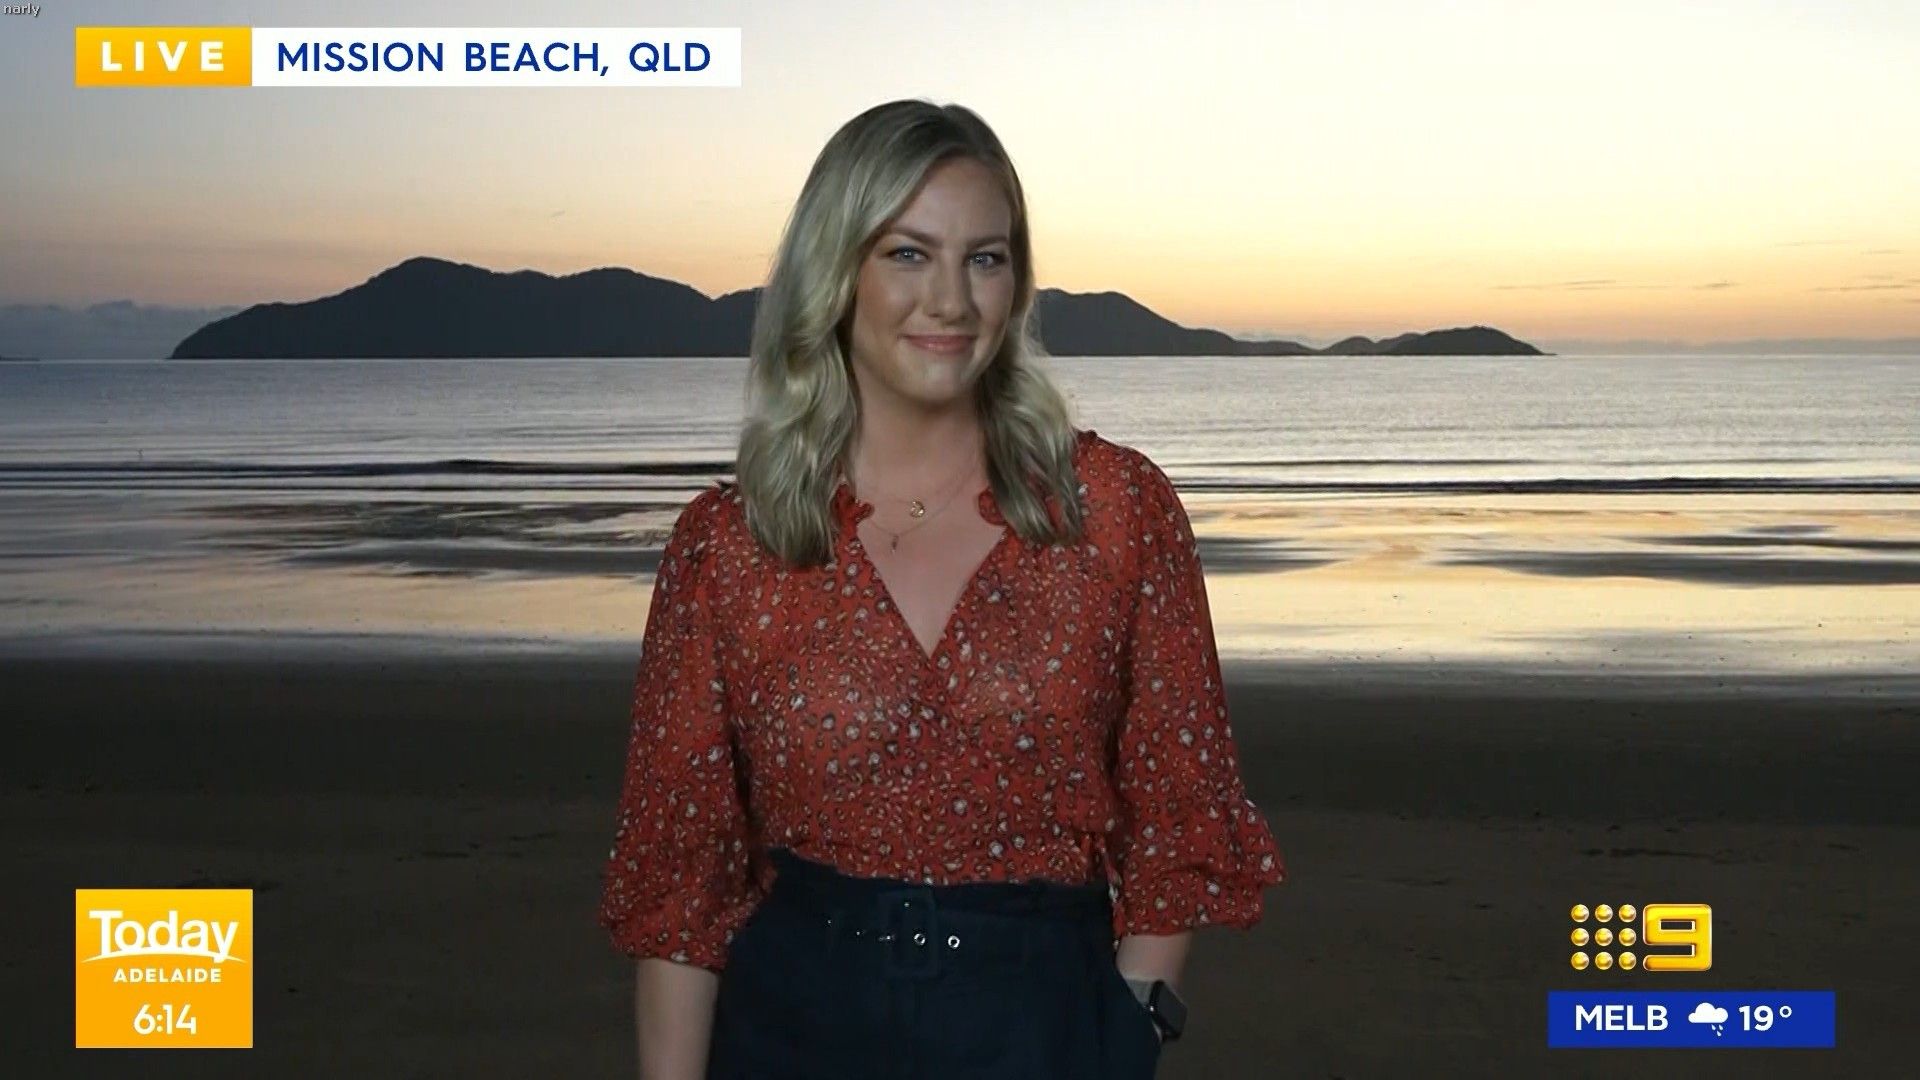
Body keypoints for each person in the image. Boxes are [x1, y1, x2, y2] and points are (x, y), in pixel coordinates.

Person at [598, 98, 1285, 1080]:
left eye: (985, 258)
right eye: (908, 254)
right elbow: (683, 882)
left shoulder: (1116, 511)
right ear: (835, 273)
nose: (952, 300)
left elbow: (1179, 809)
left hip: (1046, 1034)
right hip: (789, 1031)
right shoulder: (729, 548)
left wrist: (1132, 1029)